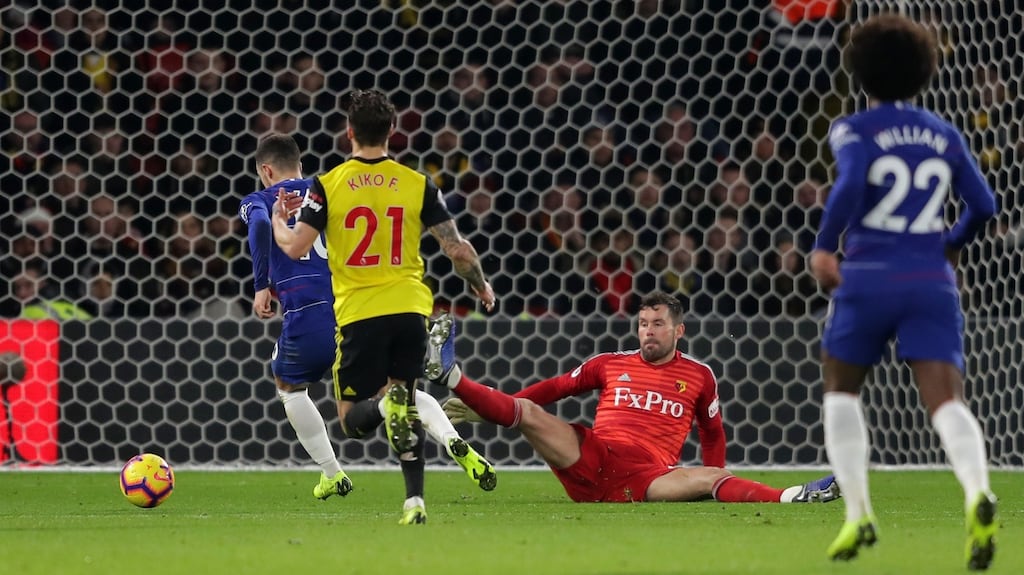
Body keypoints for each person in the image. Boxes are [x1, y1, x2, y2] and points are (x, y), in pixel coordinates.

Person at [809, 14, 998, 569]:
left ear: (860, 71)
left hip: (866, 277)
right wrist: (948, 243)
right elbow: (984, 206)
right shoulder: (945, 133)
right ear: (924, 73)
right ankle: (976, 490)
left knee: (842, 393)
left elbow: (849, 182)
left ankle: (858, 514)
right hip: (930, 281)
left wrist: (825, 245)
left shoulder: (852, 129)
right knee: (947, 402)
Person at [271, 89, 497, 525]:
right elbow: (459, 251)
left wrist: (282, 223)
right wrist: (482, 288)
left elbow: (297, 248)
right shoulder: (417, 183)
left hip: (359, 313)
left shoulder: (329, 184)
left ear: (349, 131)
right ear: (392, 131)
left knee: (353, 421)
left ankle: (383, 410)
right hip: (412, 309)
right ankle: (414, 501)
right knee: (406, 400)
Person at [436, 292, 840, 505]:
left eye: (658, 324)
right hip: (593, 456)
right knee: (527, 411)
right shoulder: (610, 363)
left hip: (649, 477)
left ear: (678, 331)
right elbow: (556, 387)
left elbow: (713, 432)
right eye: (643, 323)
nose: (648, 331)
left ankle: (792, 497)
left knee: (716, 477)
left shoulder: (700, 376)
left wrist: (705, 482)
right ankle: (452, 376)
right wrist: (487, 407)